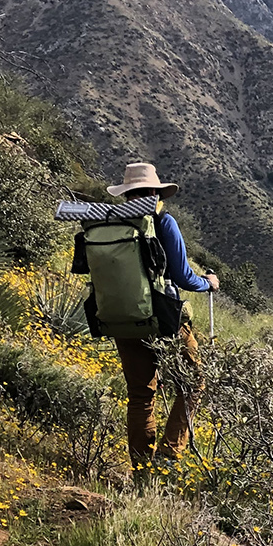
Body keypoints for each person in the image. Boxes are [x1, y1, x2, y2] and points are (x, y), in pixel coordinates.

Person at [105, 162, 219, 478]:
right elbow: (182, 276)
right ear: (156, 192)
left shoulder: (109, 224)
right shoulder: (163, 222)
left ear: (127, 194)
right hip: (164, 318)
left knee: (141, 395)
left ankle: (141, 473)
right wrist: (207, 282)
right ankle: (168, 459)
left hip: (122, 317)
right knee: (194, 381)